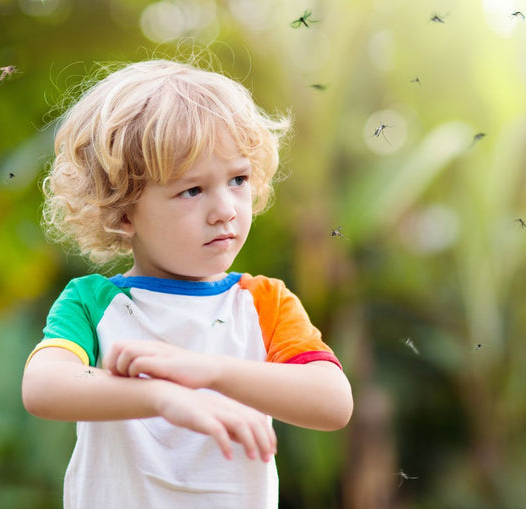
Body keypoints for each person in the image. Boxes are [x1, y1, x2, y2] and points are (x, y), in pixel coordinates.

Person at [21, 59, 353, 509]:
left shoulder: (262, 303)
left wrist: (210, 371)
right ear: (122, 212)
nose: (225, 209)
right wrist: (160, 396)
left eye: (238, 179)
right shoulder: (94, 303)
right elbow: (44, 387)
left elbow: (333, 402)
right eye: (192, 190)